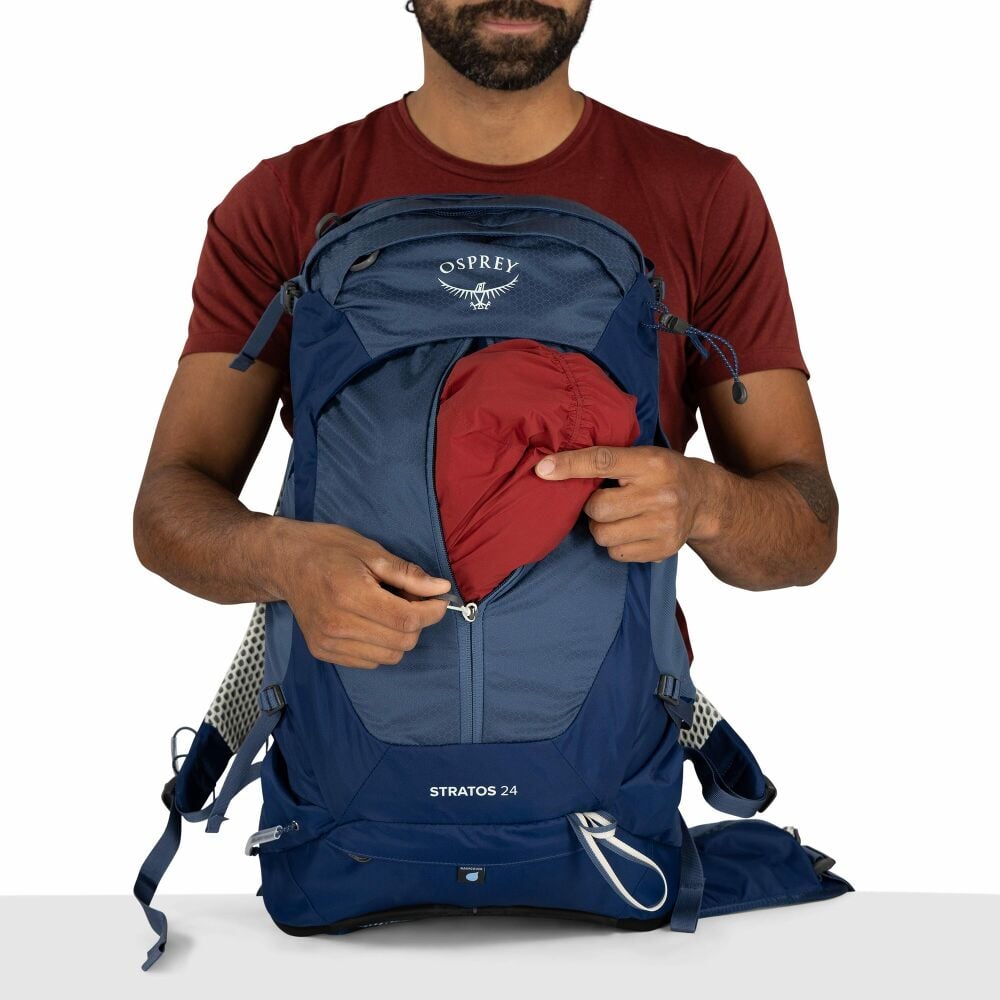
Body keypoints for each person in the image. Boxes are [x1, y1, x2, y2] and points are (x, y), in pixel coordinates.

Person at [133, 0, 838, 671]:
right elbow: (168, 504)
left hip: (608, 780)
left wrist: (704, 502)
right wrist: (279, 557)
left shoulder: (704, 196)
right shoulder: (285, 200)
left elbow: (807, 532)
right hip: (342, 779)